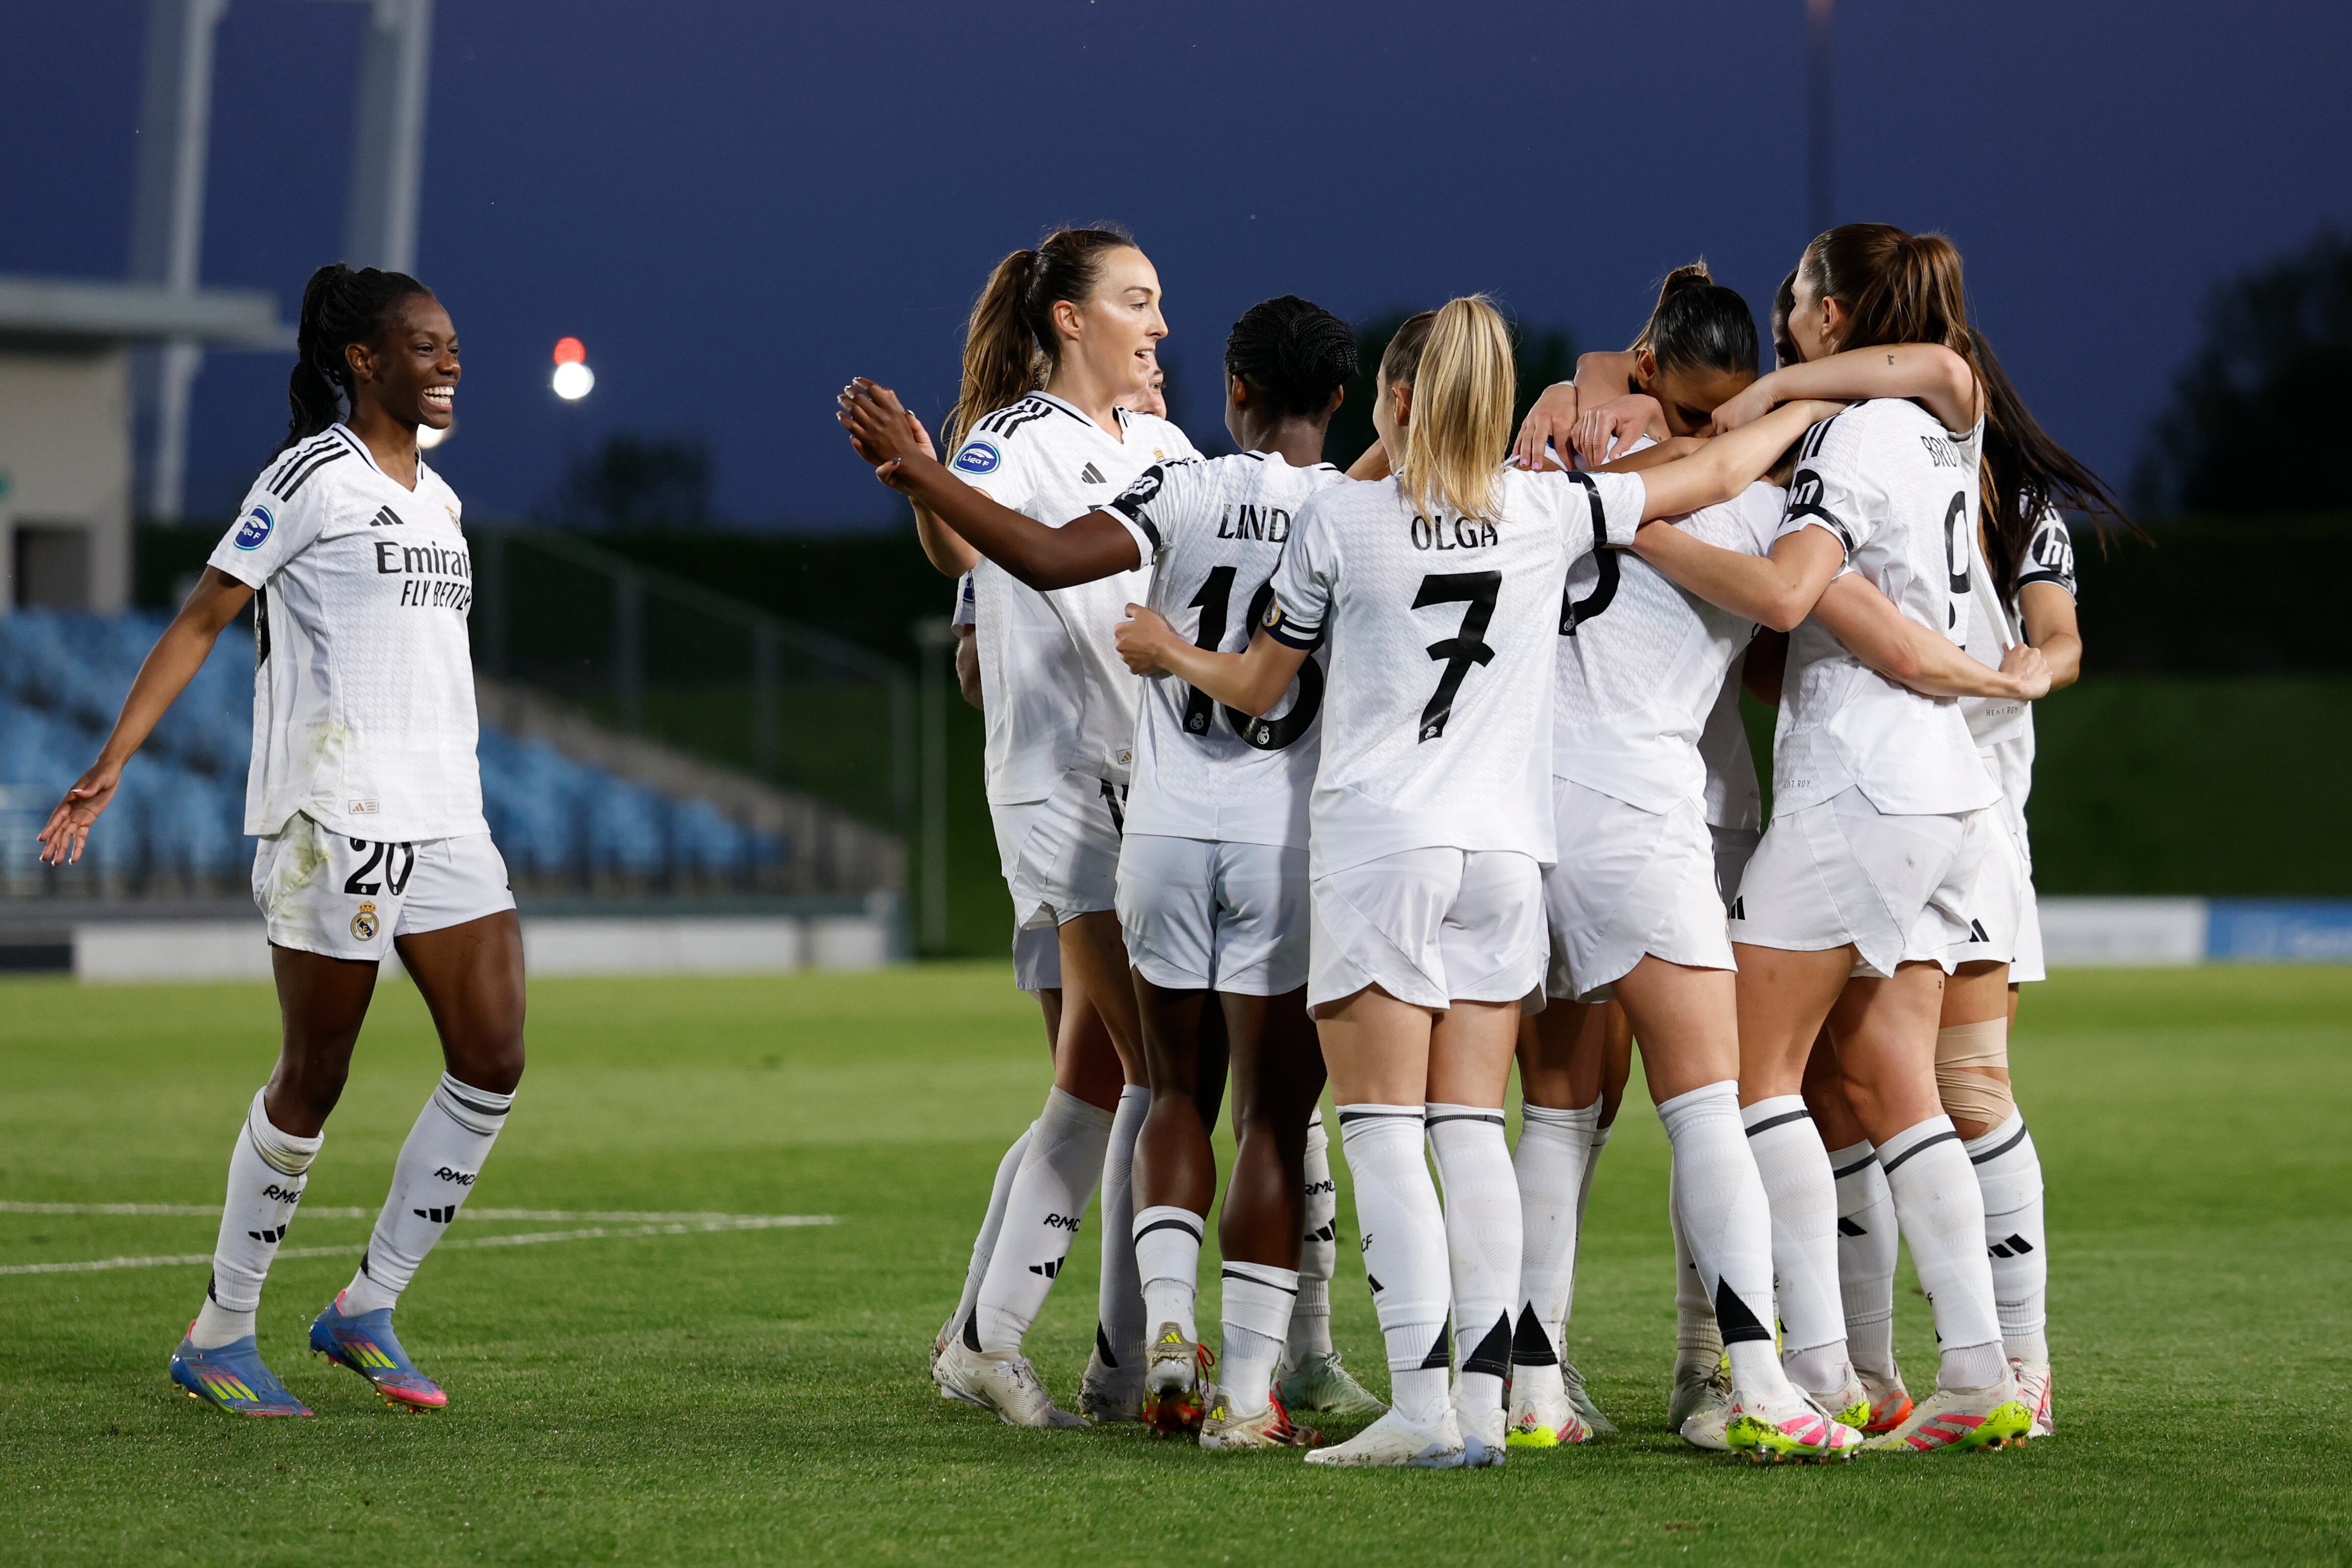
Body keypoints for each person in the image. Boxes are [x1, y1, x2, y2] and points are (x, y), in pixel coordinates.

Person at [1118, 294, 1841, 1468]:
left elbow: (1258, 687)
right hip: (1507, 854)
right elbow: (1707, 483)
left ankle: (1428, 1407)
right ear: (1505, 405)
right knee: (1469, 1127)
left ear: (1397, 403)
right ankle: (1500, 1392)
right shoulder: (1546, 510)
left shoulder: (1345, 521)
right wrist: (1793, 404)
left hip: (1383, 849)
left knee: (1385, 1131)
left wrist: (1166, 652)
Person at [843, 295, 1383, 1448]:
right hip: (1280, 840)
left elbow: (1037, 557)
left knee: (1159, 1091)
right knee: (1275, 1124)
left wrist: (915, 474)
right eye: (1138, 300)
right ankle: (1246, 1389)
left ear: (1230, 387)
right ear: (1339, 399)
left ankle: (1148, 1346)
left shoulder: (1177, 482)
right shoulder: (1354, 511)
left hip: (1159, 830)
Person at [1626, 222, 2118, 1453]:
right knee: (1895, 1085)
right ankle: (1977, 1373)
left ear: (1835, 317)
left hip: (1867, 786)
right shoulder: (1945, 426)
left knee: (1748, 1075)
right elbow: (1944, 375)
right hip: (1946, 795)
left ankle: (1813, 1375)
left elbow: (1793, 591)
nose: (1784, 317)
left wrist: (1635, 523)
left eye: (1798, 299)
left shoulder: (1848, 434)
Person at [39, 263, 523, 1418]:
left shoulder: (439, 500)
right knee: (318, 1073)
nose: (450, 361)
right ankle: (220, 1331)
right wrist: (114, 759)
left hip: (447, 813)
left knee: (493, 1057)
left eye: (452, 343)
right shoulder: (312, 477)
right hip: (335, 814)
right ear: (364, 361)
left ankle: (365, 1306)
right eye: (424, 345)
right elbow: (206, 612)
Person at [852, 224, 1196, 1427]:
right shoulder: (1009, 441)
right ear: (1069, 318)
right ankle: (1132, 1349)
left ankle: (996, 1342)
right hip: (1062, 792)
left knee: (1092, 1083)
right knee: (1157, 1072)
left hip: (1153, 780)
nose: (1158, 323)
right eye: (1137, 300)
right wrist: (920, 480)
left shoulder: (1159, 441)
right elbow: (966, 544)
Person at [1501, 263, 1771, 1448]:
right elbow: (1788, 596)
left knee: (1560, 1110)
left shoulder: (1568, 449)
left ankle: (1532, 1384)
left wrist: (1587, 384)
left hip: (1524, 804)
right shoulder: (1748, 474)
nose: (1716, 426)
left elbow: (1610, 381)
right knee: (1714, 1102)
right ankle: (1745, 1382)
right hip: (1644, 807)